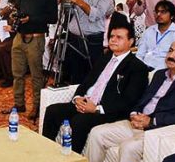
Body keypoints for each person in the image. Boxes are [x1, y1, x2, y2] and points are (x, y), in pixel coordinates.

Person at [42, 23, 149, 152]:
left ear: (130, 41)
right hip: (86, 102)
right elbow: (86, 82)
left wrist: (96, 109)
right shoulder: (104, 58)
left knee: (79, 121)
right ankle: (46, 152)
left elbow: (129, 100)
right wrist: (77, 98)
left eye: (119, 37)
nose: (113, 39)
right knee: (53, 111)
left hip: (107, 111)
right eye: (111, 36)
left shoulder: (137, 67)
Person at [1, 0, 57, 120]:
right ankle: (19, 104)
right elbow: (18, 9)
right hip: (19, 36)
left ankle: (37, 107)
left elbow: (53, 18)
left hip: (36, 37)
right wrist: (14, 16)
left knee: (36, 75)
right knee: (17, 73)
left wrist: (31, 19)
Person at [62, 0, 115, 83]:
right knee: (73, 77)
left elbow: (98, 14)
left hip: (91, 41)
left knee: (90, 78)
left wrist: (80, 2)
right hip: (73, 39)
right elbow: (69, 14)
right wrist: (66, 2)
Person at [136, 0, 175, 71]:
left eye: (163, 12)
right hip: (143, 69)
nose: (158, 14)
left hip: (163, 71)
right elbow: (140, 54)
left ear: (172, 16)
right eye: (157, 12)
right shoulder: (149, 30)